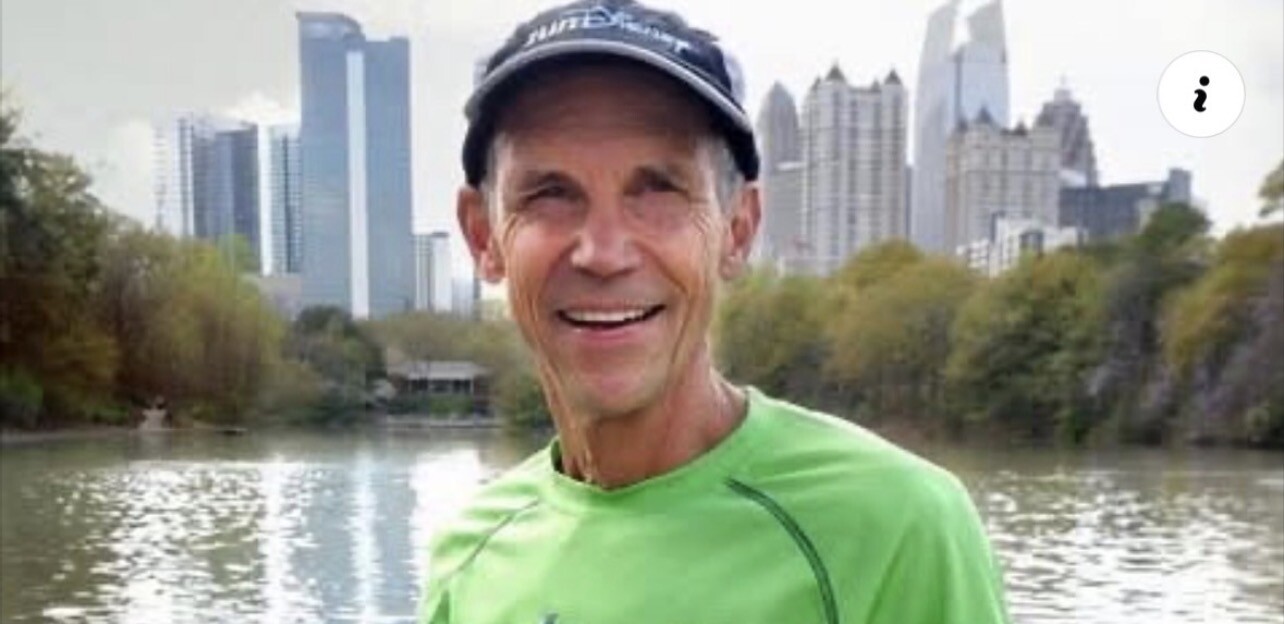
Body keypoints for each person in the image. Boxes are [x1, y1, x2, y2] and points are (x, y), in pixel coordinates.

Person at [421, 1, 1009, 621]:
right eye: (550, 194)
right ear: (483, 236)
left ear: (737, 229)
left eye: (658, 190)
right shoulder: (468, 552)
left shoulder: (896, 529)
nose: (603, 253)